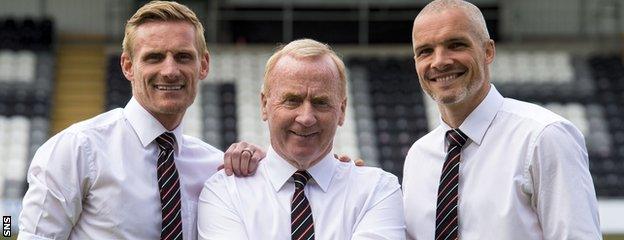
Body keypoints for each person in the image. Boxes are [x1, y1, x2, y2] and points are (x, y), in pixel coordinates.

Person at [18, 1, 263, 239]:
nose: (170, 71)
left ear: (204, 65)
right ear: (127, 66)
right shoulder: (77, 149)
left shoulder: (214, 167)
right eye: (154, 57)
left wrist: (264, 168)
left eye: (183, 57)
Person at [402, 0, 601, 239]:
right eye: (425, 51)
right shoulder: (418, 156)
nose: (440, 61)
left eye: (456, 45)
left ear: (488, 51)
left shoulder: (543, 137)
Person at [197, 39, 406, 239]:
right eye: (292, 101)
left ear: (342, 111)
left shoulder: (378, 190)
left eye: (321, 102)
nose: (306, 118)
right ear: (264, 105)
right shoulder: (224, 190)